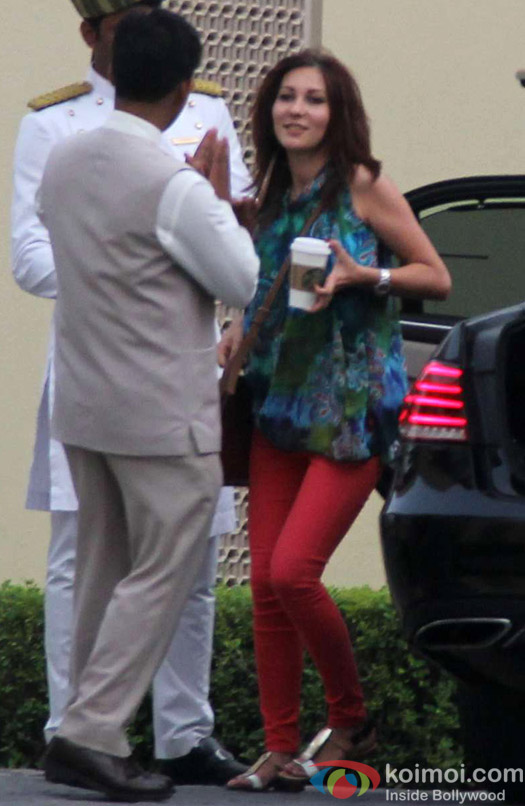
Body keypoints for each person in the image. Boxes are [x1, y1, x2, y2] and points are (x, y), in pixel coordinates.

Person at [11, 0, 251, 785]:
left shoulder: (69, 155)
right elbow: (240, 278)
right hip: (161, 407)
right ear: (182, 89)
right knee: (164, 570)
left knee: (100, 569)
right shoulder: (173, 182)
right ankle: (90, 730)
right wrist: (213, 205)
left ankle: (89, 732)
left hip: (87, 399)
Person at [220, 49, 451, 792]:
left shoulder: (361, 183)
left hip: (351, 411)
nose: (297, 110)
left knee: (294, 573)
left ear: (336, 112)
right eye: (286, 97)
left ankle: (351, 717)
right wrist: (236, 329)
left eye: (313, 100)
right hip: (278, 407)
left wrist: (363, 274)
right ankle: (279, 748)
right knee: (264, 585)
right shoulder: (267, 196)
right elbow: (258, 285)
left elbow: (436, 275)